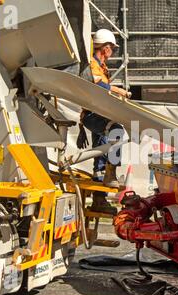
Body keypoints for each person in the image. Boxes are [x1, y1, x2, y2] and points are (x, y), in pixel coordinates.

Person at [78, 29, 129, 214]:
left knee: (100, 155)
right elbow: (97, 85)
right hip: (93, 115)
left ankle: (99, 199)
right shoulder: (93, 64)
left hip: (97, 113)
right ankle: (112, 171)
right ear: (106, 48)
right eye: (112, 49)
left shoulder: (100, 65)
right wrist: (118, 90)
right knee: (118, 132)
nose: (113, 52)